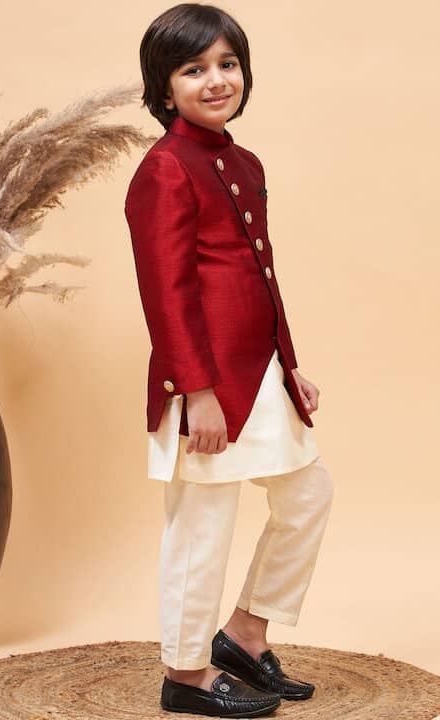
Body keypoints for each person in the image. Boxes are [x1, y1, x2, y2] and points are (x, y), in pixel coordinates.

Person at [124, 4, 334, 717]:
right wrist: (197, 390)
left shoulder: (243, 163)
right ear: (164, 87)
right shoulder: (164, 168)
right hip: (206, 381)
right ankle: (184, 674)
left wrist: (288, 363)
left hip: (260, 371)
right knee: (202, 526)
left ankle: (244, 634)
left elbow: (257, 275)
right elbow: (167, 291)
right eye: (194, 69)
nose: (216, 80)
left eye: (227, 64)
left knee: (308, 494)